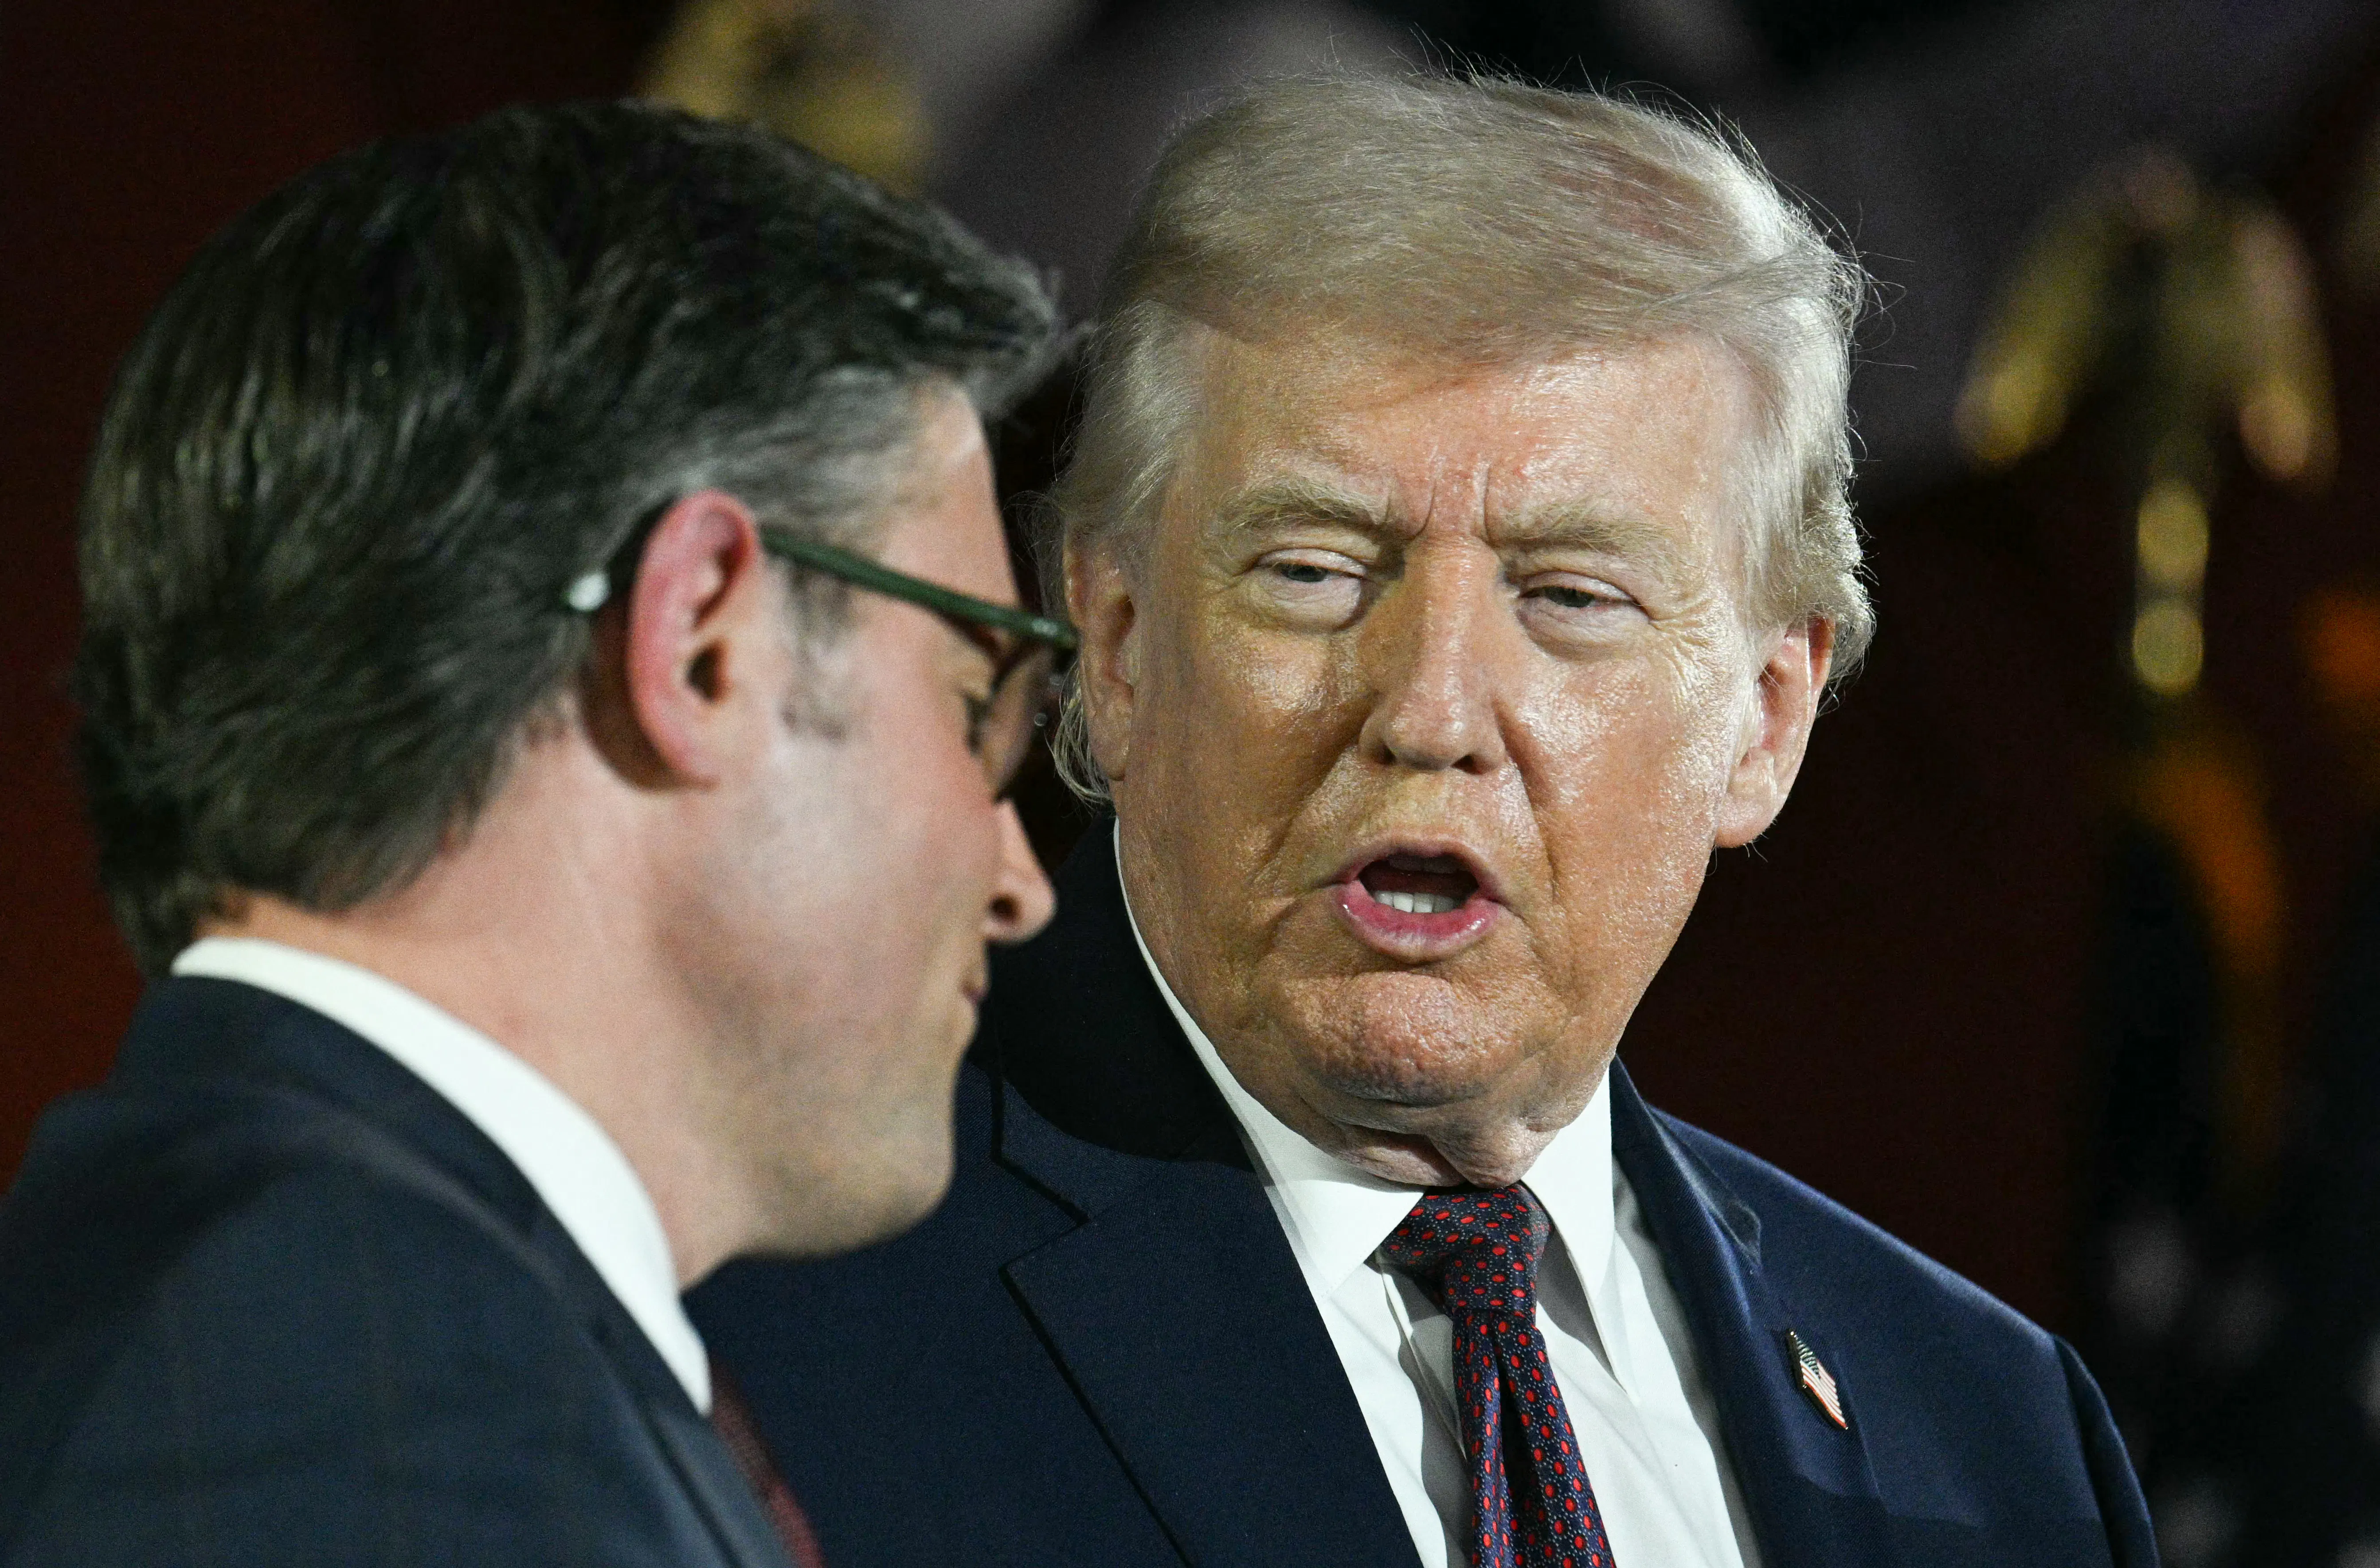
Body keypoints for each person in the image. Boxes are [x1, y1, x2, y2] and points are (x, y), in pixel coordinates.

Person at [689, 72, 2159, 1568]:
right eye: (1314, 573)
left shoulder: (1995, 1437)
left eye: (1571, 597)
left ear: (1767, 720)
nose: (1432, 710)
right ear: (1116, 645)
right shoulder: (758, 1314)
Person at [0, 100, 1066, 1565]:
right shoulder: (385, 1430)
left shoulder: (272, 1326)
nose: (1020, 883)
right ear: (704, 642)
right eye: (973, 703)